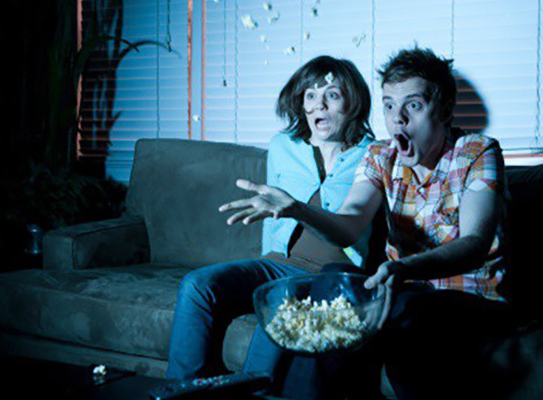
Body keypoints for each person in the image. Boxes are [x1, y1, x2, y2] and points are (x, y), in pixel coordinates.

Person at [220, 46, 516, 399]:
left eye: (413, 106)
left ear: (446, 110)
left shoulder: (477, 151)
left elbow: (475, 243)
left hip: (471, 297)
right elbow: (349, 225)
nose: (397, 120)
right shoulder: (380, 155)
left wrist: (404, 268)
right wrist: (297, 209)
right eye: (389, 106)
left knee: (397, 312)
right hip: (402, 290)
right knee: (333, 280)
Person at [165, 55, 376, 389]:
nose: (319, 104)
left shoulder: (374, 155)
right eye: (310, 95)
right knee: (197, 285)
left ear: (353, 103)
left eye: (332, 95)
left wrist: (296, 208)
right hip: (276, 264)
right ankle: (183, 392)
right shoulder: (283, 146)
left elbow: (355, 226)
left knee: (280, 303)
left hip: (330, 278)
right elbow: (271, 216)